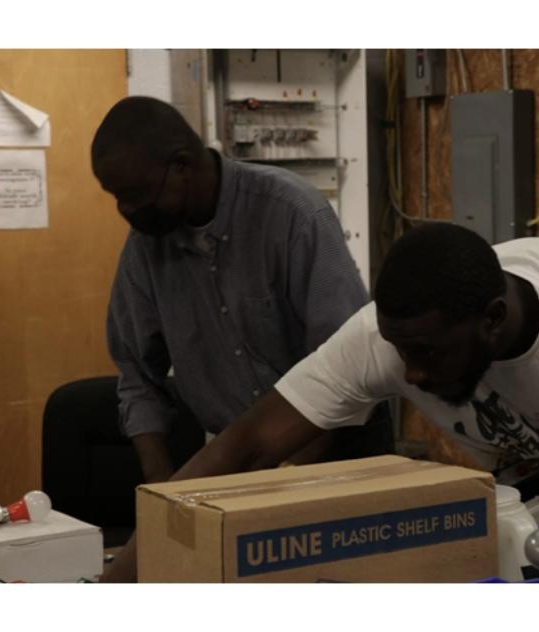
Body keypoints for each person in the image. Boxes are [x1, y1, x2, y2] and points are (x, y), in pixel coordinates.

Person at [103, 223, 539, 581]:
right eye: (399, 350)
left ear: (493, 320)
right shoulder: (387, 340)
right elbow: (246, 446)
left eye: (428, 354)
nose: (410, 373)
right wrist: (120, 585)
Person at [91, 97, 392, 579]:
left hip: (336, 449)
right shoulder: (146, 249)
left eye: (135, 195)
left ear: (182, 167)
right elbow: (137, 377)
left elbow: (349, 366)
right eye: (115, 197)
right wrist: (165, 498)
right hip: (240, 458)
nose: (126, 211)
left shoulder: (292, 213)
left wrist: (281, 487)